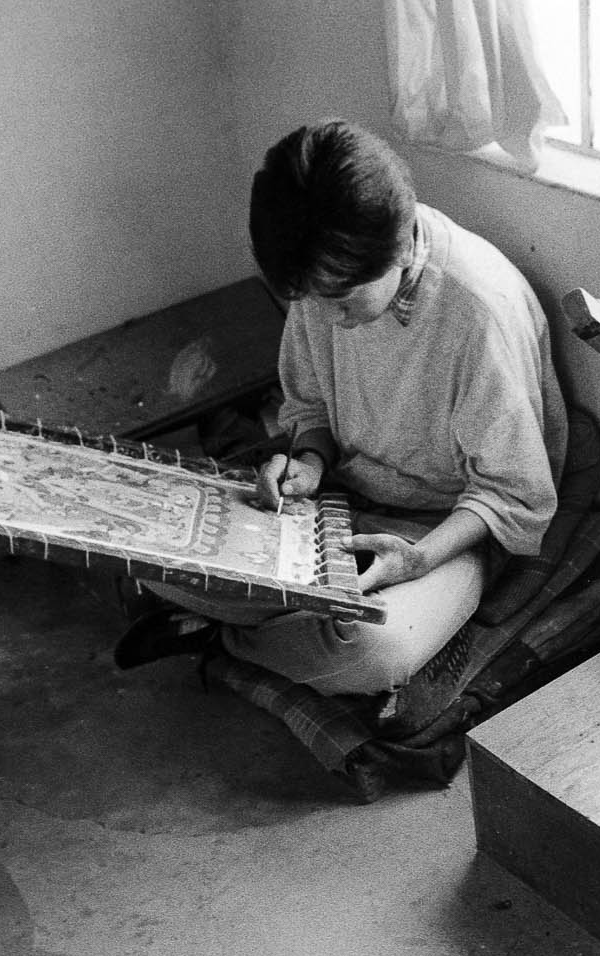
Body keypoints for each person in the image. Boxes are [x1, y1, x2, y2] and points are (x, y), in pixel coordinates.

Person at [115, 119, 566, 697]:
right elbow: (310, 406)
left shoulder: (476, 314)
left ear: (401, 248)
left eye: (342, 301)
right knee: (146, 549)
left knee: (375, 653)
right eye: (308, 301)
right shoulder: (323, 278)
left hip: (442, 529)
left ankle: (222, 636)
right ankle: (263, 624)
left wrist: (419, 559)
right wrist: (307, 461)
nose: (327, 319)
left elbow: (514, 497)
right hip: (339, 502)